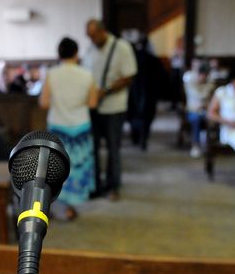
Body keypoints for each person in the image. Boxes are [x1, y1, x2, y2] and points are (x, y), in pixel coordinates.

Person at [39, 37, 98, 219]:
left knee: (57, 167)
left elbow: (44, 102)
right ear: (76, 53)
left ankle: (59, 206)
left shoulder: (52, 74)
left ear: (59, 54)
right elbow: (93, 103)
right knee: (78, 166)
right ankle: (71, 206)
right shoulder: (87, 74)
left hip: (58, 126)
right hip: (81, 126)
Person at [82, 19, 137, 201]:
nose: (91, 40)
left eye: (94, 35)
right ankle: (96, 185)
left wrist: (105, 91)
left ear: (102, 31)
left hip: (114, 107)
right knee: (94, 148)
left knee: (113, 148)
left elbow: (129, 76)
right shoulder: (90, 50)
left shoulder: (121, 47)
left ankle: (113, 186)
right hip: (94, 107)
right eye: (89, 37)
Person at [127, 35, 167, 150]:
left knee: (134, 116)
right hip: (149, 93)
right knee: (146, 117)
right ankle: (143, 139)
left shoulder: (132, 58)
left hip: (134, 92)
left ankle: (136, 137)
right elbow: (162, 77)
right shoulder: (153, 59)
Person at [183, 64, 213, 158]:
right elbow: (199, 96)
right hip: (192, 110)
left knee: (211, 118)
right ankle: (195, 145)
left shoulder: (209, 84)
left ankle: (208, 144)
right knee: (196, 119)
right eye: (203, 75)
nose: (204, 78)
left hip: (205, 110)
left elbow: (209, 99)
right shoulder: (190, 83)